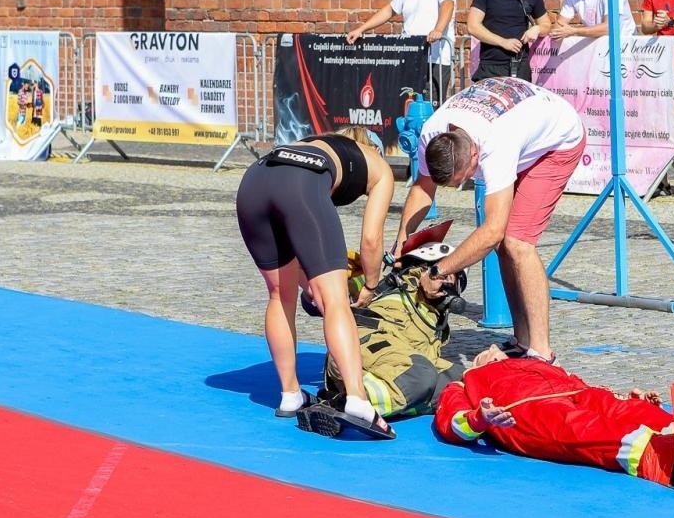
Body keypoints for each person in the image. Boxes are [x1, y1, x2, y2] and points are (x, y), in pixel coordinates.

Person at [394, 78, 585, 364]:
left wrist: (439, 271)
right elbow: (423, 188)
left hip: (558, 140)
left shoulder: (495, 144)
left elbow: (493, 230)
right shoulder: (433, 132)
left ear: (474, 155)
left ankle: (542, 354)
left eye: (463, 179)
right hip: (519, 123)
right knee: (503, 245)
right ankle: (522, 341)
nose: (462, 185)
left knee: (516, 242)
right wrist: (402, 241)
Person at [234, 126, 397, 437]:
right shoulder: (379, 166)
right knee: (336, 301)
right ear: (374, 149)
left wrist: (311, 285)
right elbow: (371, 240)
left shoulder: (315, 143)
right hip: (300, 183)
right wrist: (371, 285)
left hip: (253, 181)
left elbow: (299, 246)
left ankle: (290, 395)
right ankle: (358, 400)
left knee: (279, 296)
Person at [433, 346, 674, 484]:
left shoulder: (535, 364)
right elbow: (452, 423)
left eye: (497, 348)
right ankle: (658, 456)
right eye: (486, 351)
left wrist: (631, 400)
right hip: (529, 409)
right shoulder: (464, 383)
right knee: (582, 428)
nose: (493, 349)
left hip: (579, 393)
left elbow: (580, 385)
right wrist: (479, 418)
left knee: (628, 409)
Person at [318, 240, 469, 421]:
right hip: (359, 350)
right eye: (441, 274)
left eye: (453, 279)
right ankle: (345, 403)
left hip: (401, 365)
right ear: (422, 268)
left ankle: (357, 400)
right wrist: (345, 273)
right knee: (421, 375)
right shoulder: (386, 286)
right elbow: (315, 297)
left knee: (465, 382)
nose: (445, 284)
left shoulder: (436, 321)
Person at [346, 0, 457, 101]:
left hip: (435, 58)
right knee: (407, 104)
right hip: (411, 56)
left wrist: (438, 30)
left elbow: (447, 5)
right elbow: (390, 10)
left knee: (430, 106)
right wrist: (361, 29)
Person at [465, 0, 551, 81]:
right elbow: (472, 26)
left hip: (520, 66)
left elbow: (546, 25)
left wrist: (537, 29)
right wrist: (503, 42)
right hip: (491, 66)